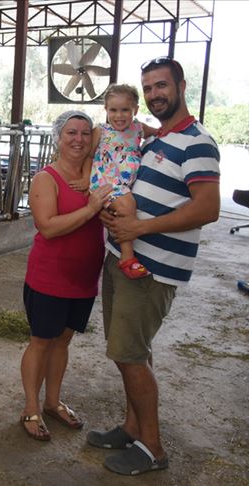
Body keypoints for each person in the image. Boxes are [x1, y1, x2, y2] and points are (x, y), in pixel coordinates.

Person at [89, 57, 220, 475]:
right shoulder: (156, 139)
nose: (154, 95)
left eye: (161, 85)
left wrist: (139, 228)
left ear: (181, 85)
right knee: (129, 351)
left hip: (152, 269)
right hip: (124, 258)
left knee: (129, 354)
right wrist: (118, 223)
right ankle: (132, 427)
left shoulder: (198, 142)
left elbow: (208, 208)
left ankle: (152, 447)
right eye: (148, 88)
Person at [19, 110, 111, 441]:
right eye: (71, 132)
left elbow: (112, 129)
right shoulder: (47, 178)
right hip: (50, 276)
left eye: (85, 133)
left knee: (63, 340)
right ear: (58, 138)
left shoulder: (97, 177)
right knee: (41, 341)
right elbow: (48, 226)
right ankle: (30, 407)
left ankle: (53, 402)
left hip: (84, 278)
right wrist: (90, 208)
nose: (79, 139)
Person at [72, 84, 157, 279]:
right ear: (106, 110)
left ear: (135, 110)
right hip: (106, 182)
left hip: (124, 183)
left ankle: (124, 253)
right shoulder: (101, 131)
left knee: (126, 208)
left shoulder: (139, 128)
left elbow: (161, 131)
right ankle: (127, 257)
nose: (119, 115)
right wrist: (86, 179)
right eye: (113, 110)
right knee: (128, 206)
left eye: (125, 110)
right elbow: (88, 156)